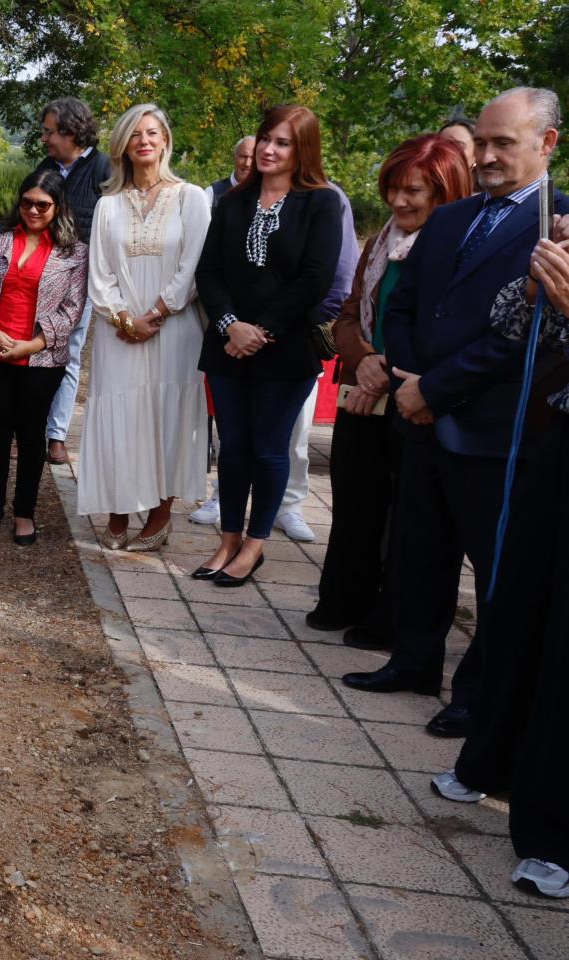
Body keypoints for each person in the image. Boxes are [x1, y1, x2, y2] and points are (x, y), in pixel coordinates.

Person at [341, 87, 567, 739]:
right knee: (418, 549)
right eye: (483, 142)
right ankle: (413, 662)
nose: (488, 155)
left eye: (504, 143)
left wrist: (433, 389)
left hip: (497, 431)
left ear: (547, 144)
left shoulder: (560, 224)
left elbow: (524, 334)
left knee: (495, 573)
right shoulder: (450, 218)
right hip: (419, 419)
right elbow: (405, 306)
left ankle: (480, 694)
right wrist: (408, 377)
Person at [429, 230, 569, 899]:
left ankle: (553, 835)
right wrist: (544, 283)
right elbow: (516, 323)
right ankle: (492, 763)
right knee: (518, 608)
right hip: (557, 442)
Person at [307, 136, 472, 644]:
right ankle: (345, 600)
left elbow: (441, 330)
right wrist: (363, 360)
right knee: (355, 504)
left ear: (446, 193)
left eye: (413, 191)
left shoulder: (456, 250)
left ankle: (390, 617)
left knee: (406, 520)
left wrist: (387, 369)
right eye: (392, 190)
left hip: (413, 397)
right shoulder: (379, 243)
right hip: (363, 389)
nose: (400, 201)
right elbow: (350, 312)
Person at [192, 104, 342, 588]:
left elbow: (315, 278)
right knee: (232, 448)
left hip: (285, 349)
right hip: (227, 345)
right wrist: (233, 325)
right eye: (265, 139)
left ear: (303, 150)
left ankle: (254, 545)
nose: (269, 149)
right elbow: (208, 272)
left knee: (269, 450)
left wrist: (262, 330)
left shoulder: (321, 202)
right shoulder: (232, 201)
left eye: (283, 142)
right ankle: (228, 538)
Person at [77, 104, 211, 551]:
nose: (144, 141)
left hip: (175, 328)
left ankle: (160, 513)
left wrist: (157, 311)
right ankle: (117, 508)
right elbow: (99, 273)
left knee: (168, 417)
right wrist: (122, 318)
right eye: (135, 135)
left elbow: (193, 265)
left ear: (166, 140)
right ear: (123, 146)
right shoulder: (107, 205)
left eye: (152, 133)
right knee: (121, 415)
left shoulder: (192, 197)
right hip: (119, 330)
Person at [0, 169, 88, 545]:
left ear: (58, 207)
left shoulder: (75, 252)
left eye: (42, 205)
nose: (33, 210)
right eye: (26, 202)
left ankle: (25, 513)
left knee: (32, 436)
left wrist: (30, 345)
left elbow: (72, 309)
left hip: (41, 360)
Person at [35, 97, 112, 466]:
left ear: (70, 131)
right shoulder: (45, 167)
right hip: (38, 275)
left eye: (49, 131)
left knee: (67, 353)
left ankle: (56, 436)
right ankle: (31, 429)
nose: (45, 138)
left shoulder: (105, 170)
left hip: (79, 280)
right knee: (34, 350)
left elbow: (112, 229)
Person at [205, 136, 255, 208]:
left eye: (253, 158)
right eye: (243, 156)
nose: (247, 163)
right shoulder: (212, 193)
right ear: (234, 157)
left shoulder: (268, 196)